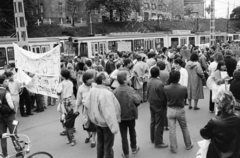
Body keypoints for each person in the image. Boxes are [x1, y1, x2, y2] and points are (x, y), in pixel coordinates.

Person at [85, 72, 121, 158]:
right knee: (108, 146)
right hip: (106, 123)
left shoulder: (92, 90)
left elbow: (87, 104)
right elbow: (110, 113)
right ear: (103, 81)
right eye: (108, 78)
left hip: (97, 121)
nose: (110, 79)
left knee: (100, 142)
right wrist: (114, 128)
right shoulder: (106, 93)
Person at [200, 91, 240, 158]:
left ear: (218, 104)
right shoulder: (238, 118)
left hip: (217, 155)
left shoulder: (214, 122)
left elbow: (204, 134)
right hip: (235, 155)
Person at [113, 71, 142, 158]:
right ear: (125, 80)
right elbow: (138, 100)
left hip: (120, 116)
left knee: (123, 134)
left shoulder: (115, 91)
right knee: (132, 131)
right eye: (128, 77)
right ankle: (134, 148)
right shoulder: (131, 89)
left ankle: (125, 153)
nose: (130, 78)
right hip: (131, 114)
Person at [164, 70, 193, 154]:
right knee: (184, 127)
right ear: (179, 78)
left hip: (170, 109)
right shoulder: (183, 88)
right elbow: (185, 97)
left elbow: (165, 98)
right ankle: (188, 145)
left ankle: (173, 148)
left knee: (172, 129)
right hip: (180, 109)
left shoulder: (166, 88)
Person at [147, 66, 168, 148]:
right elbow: (163, 96)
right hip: (159, 105)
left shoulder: (150, 81)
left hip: (151, 103)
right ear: (158, 73)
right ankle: (158, 142)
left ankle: (153, 138)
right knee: (159, 124)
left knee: (153, 122)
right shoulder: (159, 83)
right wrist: (165, 104)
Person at [75, 72, 97, 148]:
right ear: (86, 80)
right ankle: (89, 135)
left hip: (94, 108)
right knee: (86, 124)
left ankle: (93, 139)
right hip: (85, 108)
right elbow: (78, 99)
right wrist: (76, 109)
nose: (92, 79)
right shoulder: (81, 88)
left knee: (94, 124)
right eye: (91, 78)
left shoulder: (94, 86)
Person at [0, 75, 17, 157]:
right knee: (13, 134)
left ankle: (5, 154)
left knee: (3, 136)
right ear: (3, 82)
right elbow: (11, 106)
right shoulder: (6, 92)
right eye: (6, 81)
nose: (7, 82)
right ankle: (18, 151)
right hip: (9, 116)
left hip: (0, 117)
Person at [57, 69, 74, 136]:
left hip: (63, 100)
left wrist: (58, 95)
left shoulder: (61, 84)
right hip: (69, 99)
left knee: (63, 116)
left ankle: (65, 129)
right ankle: (72, 127)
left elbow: (59, 92)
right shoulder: (71, 82)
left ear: (63, 76)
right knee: (70, 114)